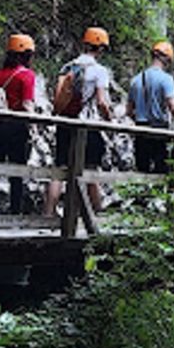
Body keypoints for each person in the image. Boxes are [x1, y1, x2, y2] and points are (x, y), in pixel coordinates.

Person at [45, 27, 114, 219]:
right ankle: (97, 216)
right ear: (100, 48)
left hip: (65, 122)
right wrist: (109, 119)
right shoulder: (99, 71)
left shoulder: (67, 67)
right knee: (91, 170)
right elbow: (101, 102)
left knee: (60, 169)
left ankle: (48, 214)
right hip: (87, 126)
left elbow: (58, 97)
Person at [0, 34, 38, 215]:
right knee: (16, 174)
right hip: (15, 129)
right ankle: (15, 214)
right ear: (26, 54)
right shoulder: (26, 75)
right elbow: (27, 105)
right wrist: (34, 127)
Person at [126, 40, 174, 175]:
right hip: (159, 131)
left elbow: (129, 111)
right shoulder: (166, 79)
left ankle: (142, 196)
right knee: (161, 174)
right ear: (167, 59)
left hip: (140, 131)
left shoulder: (135, 80)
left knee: (142, 173)